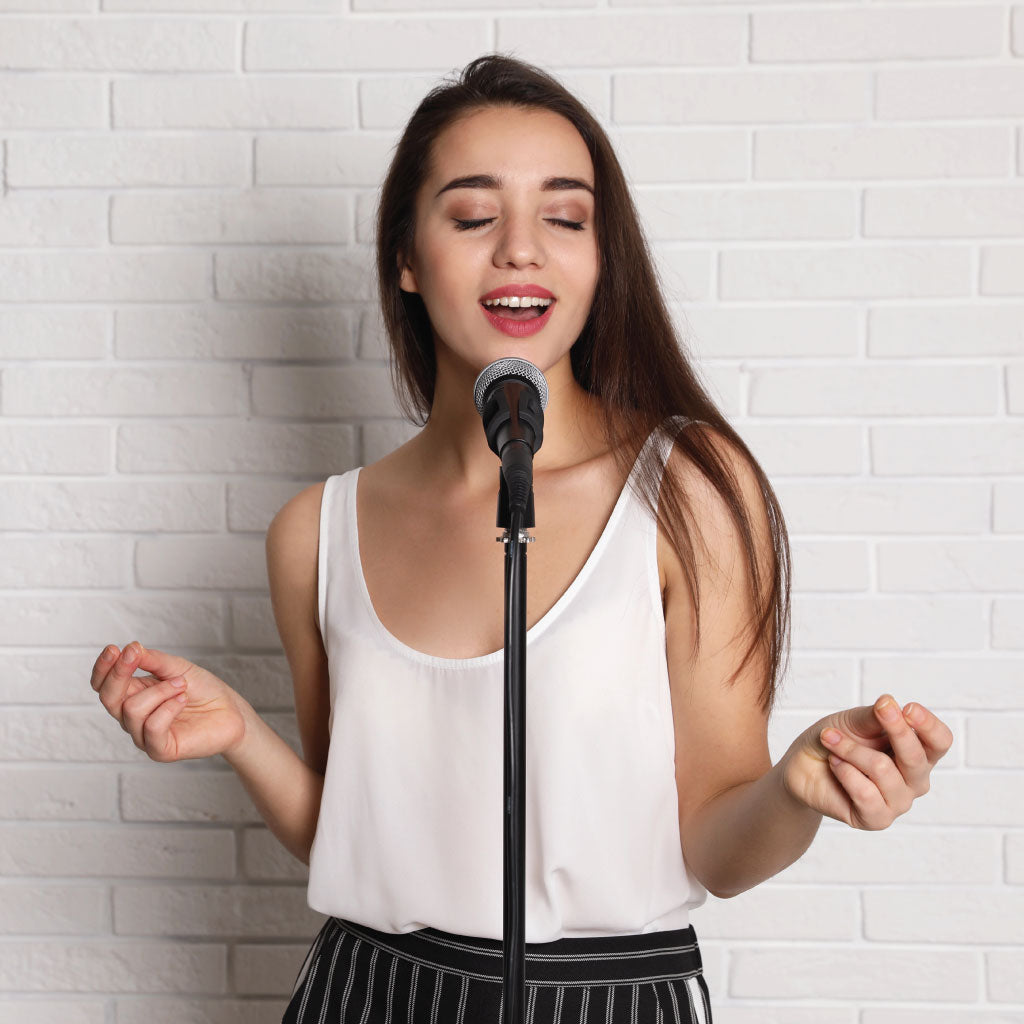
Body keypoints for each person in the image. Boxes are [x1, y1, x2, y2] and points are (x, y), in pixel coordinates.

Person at [90, 53, 953, 1024]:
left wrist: (797, 787)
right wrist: (240, 735)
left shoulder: (689, 488)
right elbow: (361, 838)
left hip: (605, 1001)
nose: (520, 250)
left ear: (599, 257)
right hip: (359, 992)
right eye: (471, 216)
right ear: (406, 259)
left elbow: (716, 844)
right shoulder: (313, 532)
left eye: (565, 217)